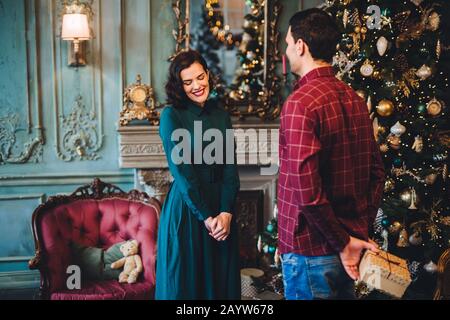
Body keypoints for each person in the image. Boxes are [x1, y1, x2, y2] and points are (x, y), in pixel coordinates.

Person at [278, 8, 385, 300]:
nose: (287, 50)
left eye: (288, 43)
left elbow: (306, 191)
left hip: (311, 251)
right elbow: (377, 173)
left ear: (301, 46)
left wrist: (343, 242)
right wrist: (356, 234)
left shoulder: (300, 103)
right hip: (346, 246)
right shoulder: (354, 99)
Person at [155, 50, 240, 300]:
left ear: (208, 75)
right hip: (189, 210)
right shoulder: (171, 115)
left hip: (222, 214)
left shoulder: (221, 115)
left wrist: (225, 213)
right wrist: (207, 216)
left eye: (200, 77)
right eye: (188, 81)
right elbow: (182, 173)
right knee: (186, 289)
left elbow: (229, 168)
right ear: (179, 86)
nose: (197, 86)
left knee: (220, 288)